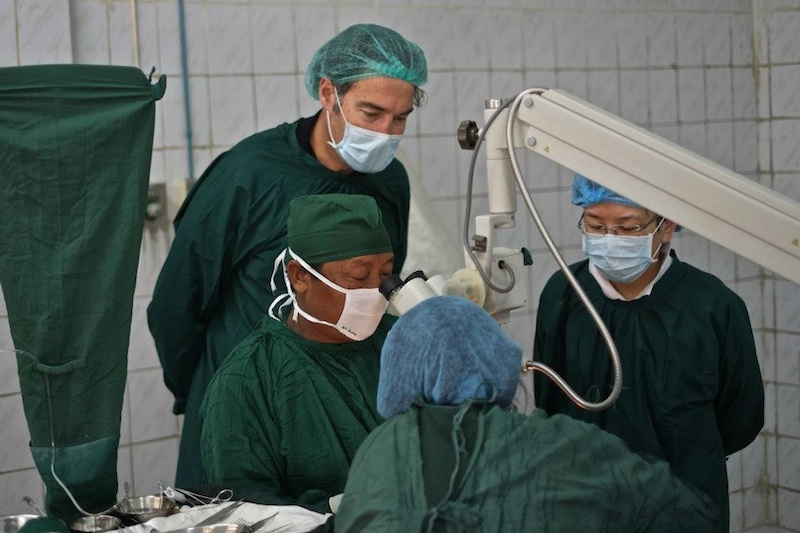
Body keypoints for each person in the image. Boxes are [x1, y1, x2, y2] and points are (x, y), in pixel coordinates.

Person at [147, 23, 428, 486]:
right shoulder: (249, 175)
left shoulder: (390, 181)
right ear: (327, 93)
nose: (385, 132)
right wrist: (206, 392)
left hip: (345, 408)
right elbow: (177, 306)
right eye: (371, 113)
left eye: (399, 119)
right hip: (248, 409)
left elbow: (374, 289)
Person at [335, 295, 719, 532]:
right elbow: (694, 517)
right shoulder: (565, 448)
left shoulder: (379, 449)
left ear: (398, 372)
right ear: (497, 360)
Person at [532, 174, 765, 532]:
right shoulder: (565, 295)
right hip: (583, 500)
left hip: (684, 501)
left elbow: (741, 416)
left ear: (666, 226)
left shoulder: (713, 306)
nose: (610, 239)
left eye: (627, 228)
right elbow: (549, 400)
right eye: (596, 225)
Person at [199, 193, 396, 510]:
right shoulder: (248, 380)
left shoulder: (400, 343)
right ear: (300, 276)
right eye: (359, 276)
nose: (376, 291)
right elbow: (245, 509)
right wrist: (343, 510)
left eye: (386, 275)